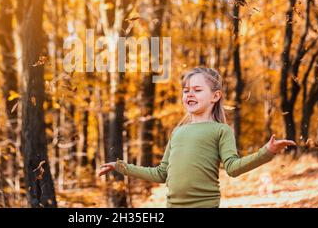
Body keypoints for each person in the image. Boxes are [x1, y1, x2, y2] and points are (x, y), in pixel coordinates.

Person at [98, 67, 296, 208]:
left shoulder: (221, 130)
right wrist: (121, 167)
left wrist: (266, 152)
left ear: (215, 96)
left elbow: (233, 168)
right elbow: (160, 173)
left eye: (197, 90)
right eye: (186, 91)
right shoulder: (177, 132)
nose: (189, 94)